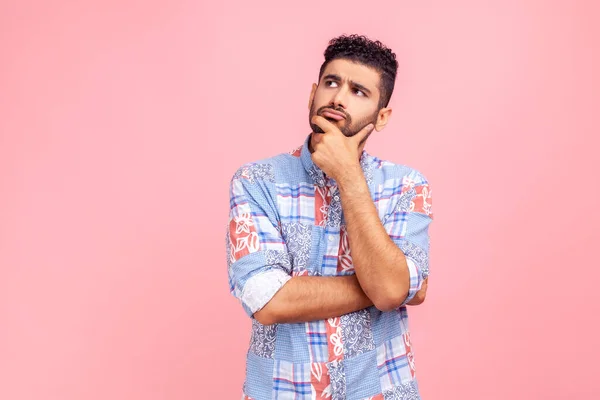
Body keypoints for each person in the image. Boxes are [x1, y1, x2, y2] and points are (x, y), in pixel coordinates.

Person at [225, 34, 434, 400]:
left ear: (381, 117)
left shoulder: (406, 187)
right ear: (312, 94)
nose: (338, 97)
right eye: (331, 82)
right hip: (282, 391)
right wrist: (387, 286)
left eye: (359, 91)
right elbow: (269, 301)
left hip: (381, 390)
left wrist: (349, 176)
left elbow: (391, 290)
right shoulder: (257, 181)